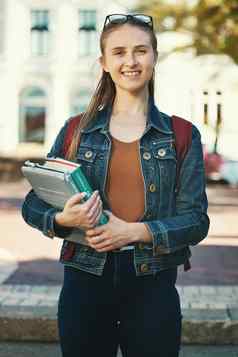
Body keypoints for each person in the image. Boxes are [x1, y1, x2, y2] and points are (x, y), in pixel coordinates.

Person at [22, 13, 210, 357]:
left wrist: (134, 232)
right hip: (84, 279)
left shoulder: (182, 134)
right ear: (104, 63)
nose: (131, 61)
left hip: (153, 283)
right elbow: (33, 204)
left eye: (141, 50)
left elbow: (196, 221)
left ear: (154, 57)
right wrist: (65, 220)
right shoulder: (76, 130)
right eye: (119, 52)